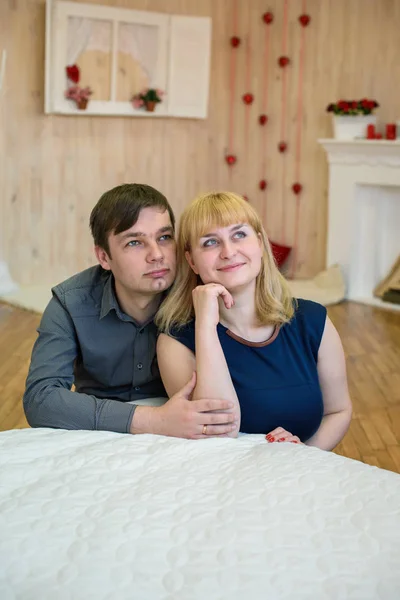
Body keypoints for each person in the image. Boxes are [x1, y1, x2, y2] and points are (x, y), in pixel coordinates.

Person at [23, 184, 237, 437]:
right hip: (100, 434)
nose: (157, 255)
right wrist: (153, 420)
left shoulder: (203, 293)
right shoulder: (71, 302)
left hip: (188, 432)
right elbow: (40, 399)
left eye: (165, 237)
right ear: (104, 257)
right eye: (135, 242)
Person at [155, 191, 352, 449]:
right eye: (210, 242)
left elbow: (338, 411)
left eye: (239, 235)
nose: (228, 251)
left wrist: (302, 455)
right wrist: (205, 326)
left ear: (260, 243)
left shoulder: (313, 321)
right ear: (191, 260)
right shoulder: (176, 340)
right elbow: (216, 432)